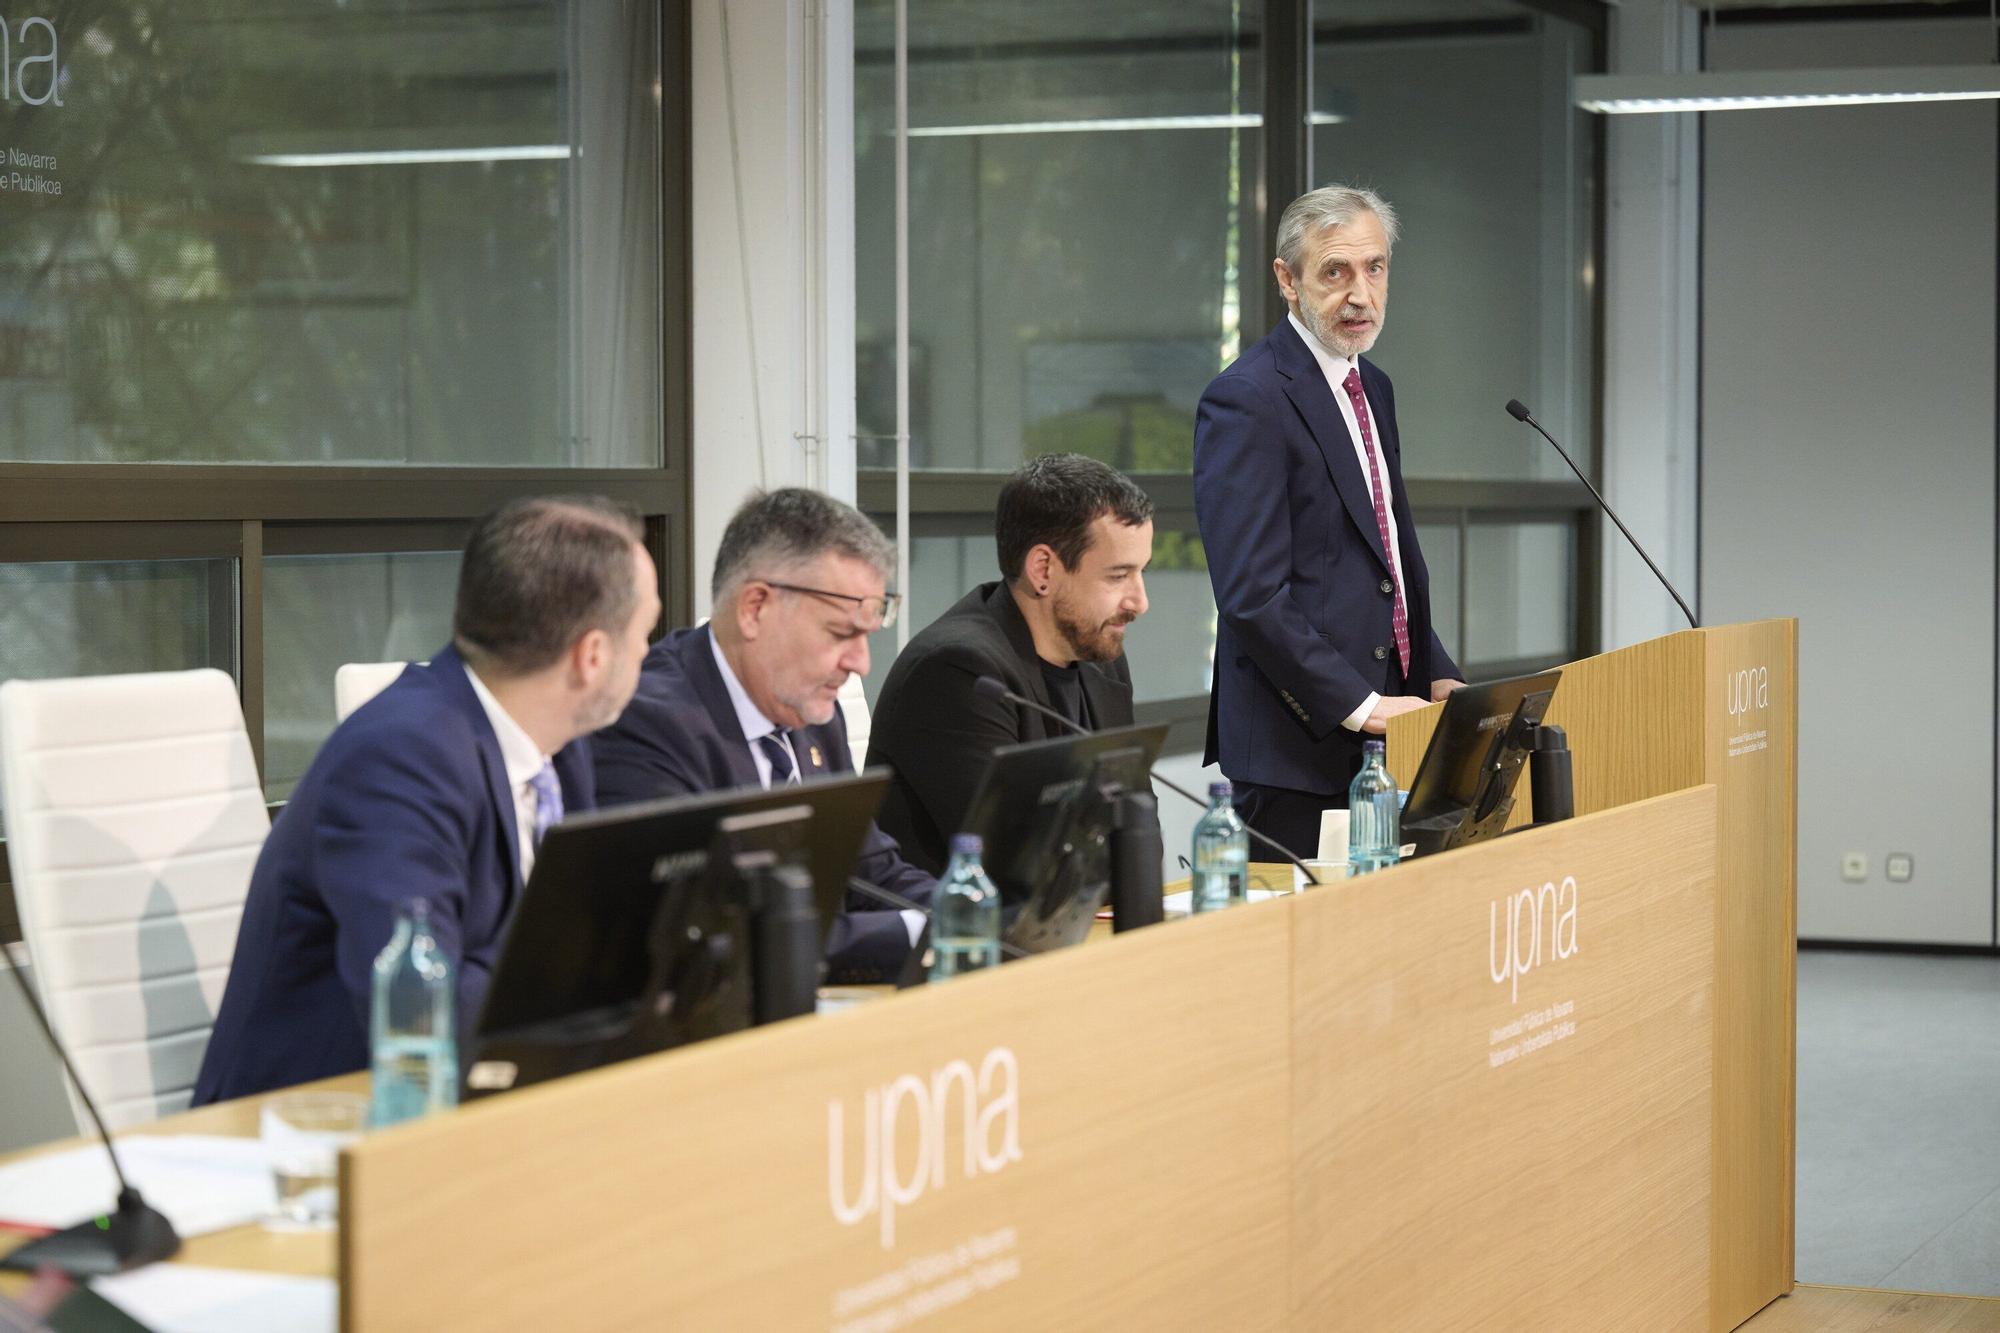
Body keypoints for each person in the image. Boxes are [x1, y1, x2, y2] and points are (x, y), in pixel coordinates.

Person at [194, 497, 660, 1103]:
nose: (649, 653)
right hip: (312, 1125)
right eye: (644, 633)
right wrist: (573, 970)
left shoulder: (560, 748)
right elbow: (422, 1009)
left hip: (488, 1094)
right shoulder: (398, 758)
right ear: (591, 656)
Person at [1193, 184, 1464, 859]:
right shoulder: (1246, 398)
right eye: (1335, 271)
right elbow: (1251, 595)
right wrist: (1361, 705)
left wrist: (1435, 671)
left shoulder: (1373, 386)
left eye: (1375, 268)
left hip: (1391, 735)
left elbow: (1384, 559)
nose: (1360, 294)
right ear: (1288, 280)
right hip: (1297, 752)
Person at [591, 488, 933, 982]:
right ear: (755, 608)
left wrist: (973, 913)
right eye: (841, 634)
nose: (861, 664)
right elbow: (709, 937)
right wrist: (920, 930)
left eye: (867, 636)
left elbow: (871, 872)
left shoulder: (813, 708)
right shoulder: (647, 725)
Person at [868, 453, 1153, 875]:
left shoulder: (1099, 656)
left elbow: (1139, 830)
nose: (1140, 602)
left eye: (1142, 572)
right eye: (1118, 576)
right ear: (1043, 570)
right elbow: (1012, 862)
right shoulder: (957, 671)